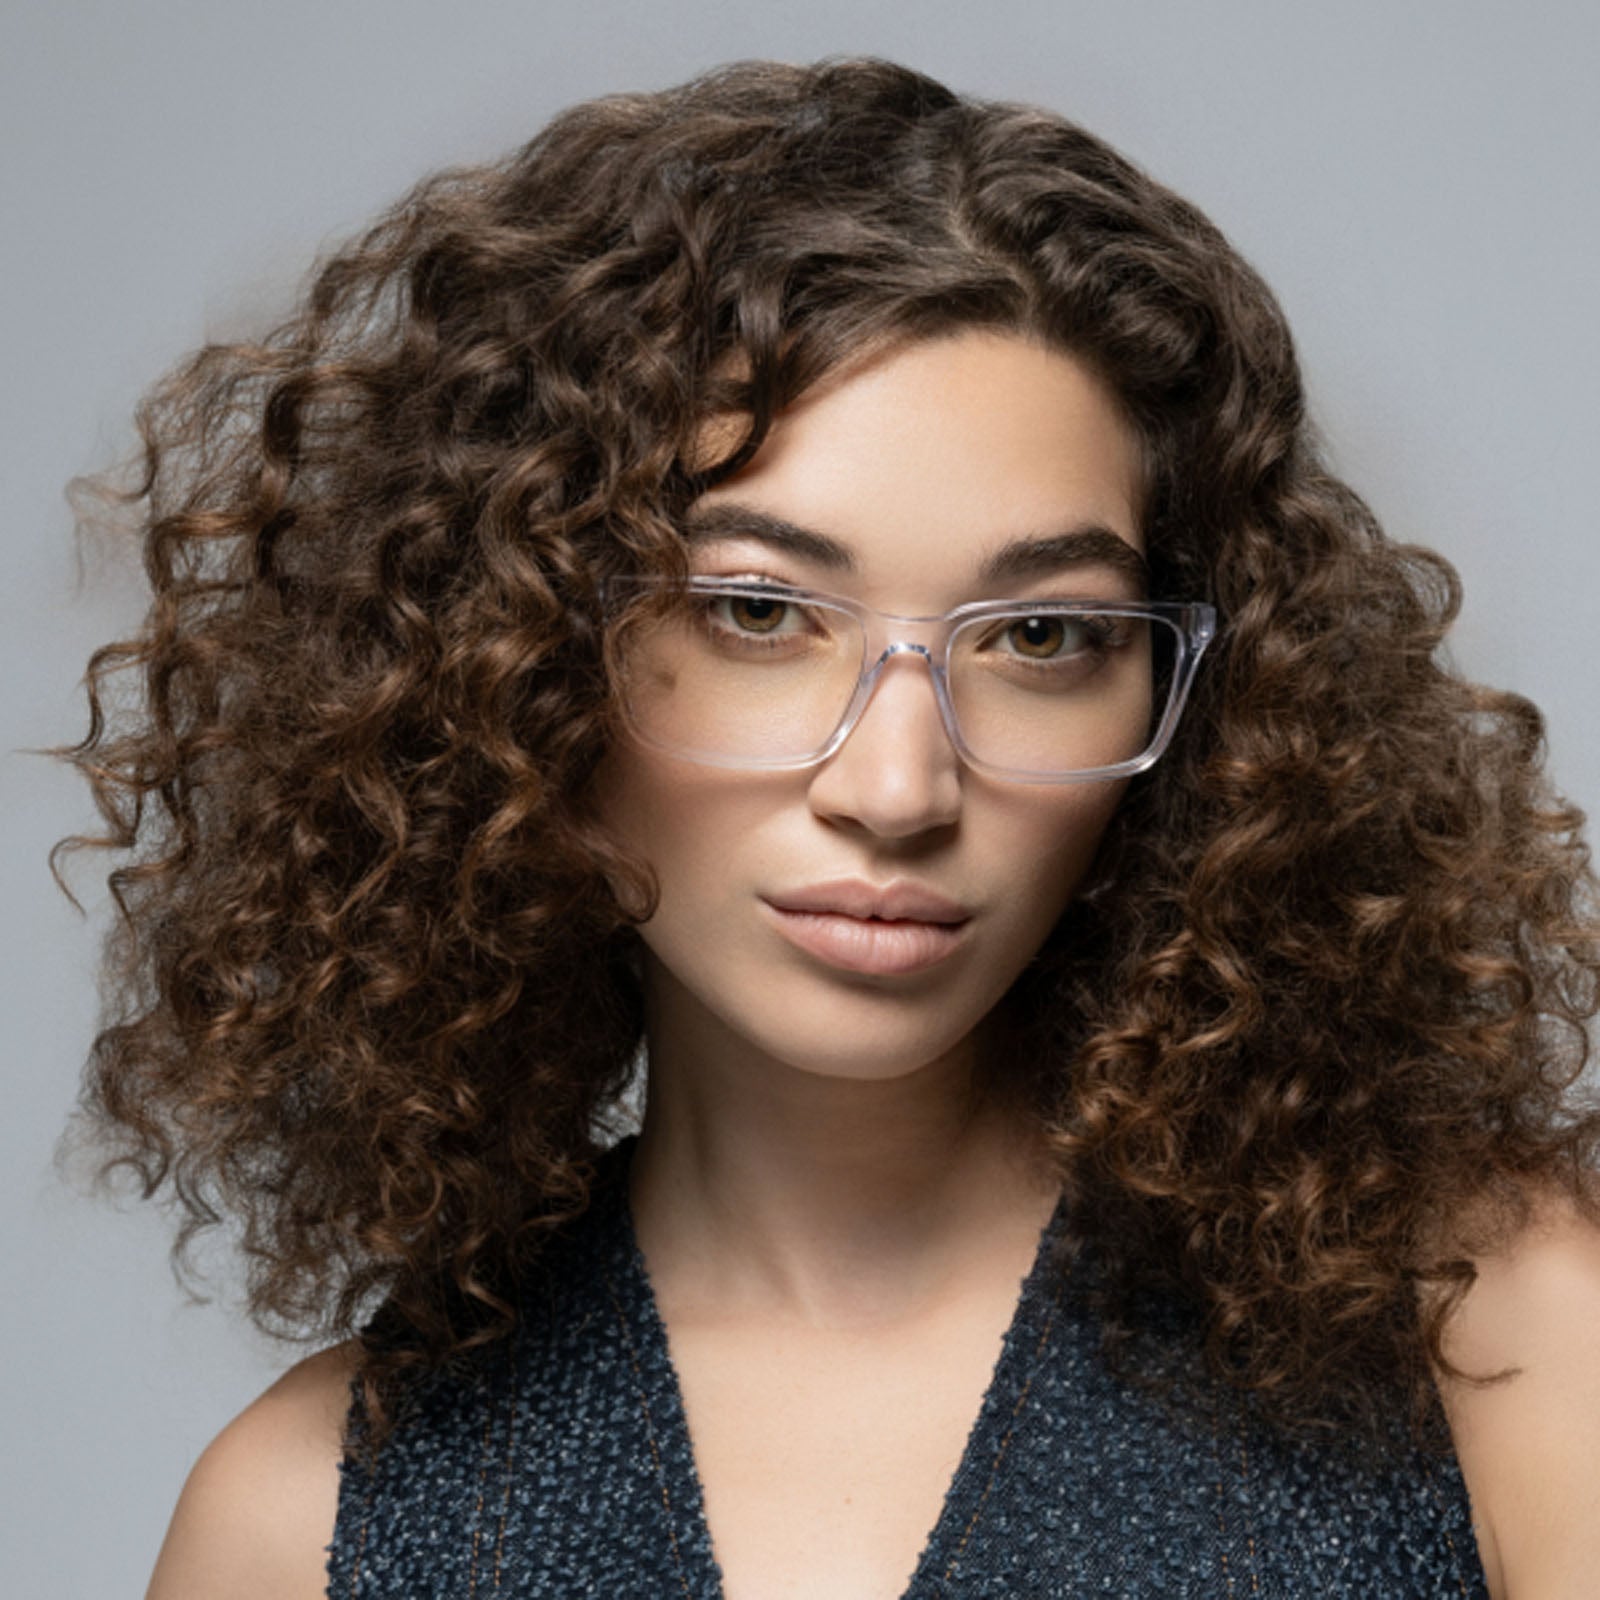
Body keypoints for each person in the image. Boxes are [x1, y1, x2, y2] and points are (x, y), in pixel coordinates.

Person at [56, 57, 1600, 1600]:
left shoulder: (1492, 1335)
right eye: (756, 610)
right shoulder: (309, 1527)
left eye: (1043, 640)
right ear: (516, 662)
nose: (900, 788)